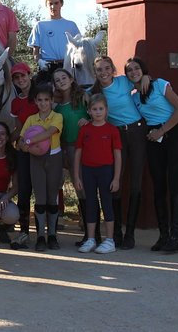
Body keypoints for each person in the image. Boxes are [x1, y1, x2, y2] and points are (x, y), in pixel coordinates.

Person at [125, 57, 178, 252]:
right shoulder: (134, 97)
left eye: (137, 68)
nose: (134, 71)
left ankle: (176, 238)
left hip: (174, 135)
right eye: (129, 70)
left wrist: (162, 130)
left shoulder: (160, 85)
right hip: (153, 140)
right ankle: (164, 236)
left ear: (143, 70)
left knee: (174, 185)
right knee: (158, 187)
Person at [90, 55, 149, 249]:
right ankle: (115, 232)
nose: (104, 72)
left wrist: (147, 77)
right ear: (95, 73)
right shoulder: (94, 92)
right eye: (99, 70)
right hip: (117, 136)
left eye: (107, 68)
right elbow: (85, 106)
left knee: (135, 183)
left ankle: (130, 233)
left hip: (137, 131)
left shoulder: (123, 82)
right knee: (115, 183)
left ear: (113, 69)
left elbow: (140, 79)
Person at [53, 68, 101, 246]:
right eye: (57, 80)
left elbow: (99, 113)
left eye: (64, 78)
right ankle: (88, 233)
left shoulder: (83, 98)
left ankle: (94, 234)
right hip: (66, 149)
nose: (61, 81)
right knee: (77, 187)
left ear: (71, 79)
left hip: (84, 148)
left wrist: (89, 122)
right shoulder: (57, 106)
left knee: (85, 189)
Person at [73, 93, 122, 254]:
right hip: (88, 171)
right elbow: (78, 153)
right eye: (95, 109)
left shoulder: (112, 130)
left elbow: (117, 155)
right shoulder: (84, 130)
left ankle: (110, 240)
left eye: (101, 108)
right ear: (89, 111)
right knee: (91, 204)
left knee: (107, 203)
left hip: (106, 171)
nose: (98, 112)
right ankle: (91, 239)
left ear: (106, 110)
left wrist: (116, 178)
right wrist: (76, 176)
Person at [17, 84, 64, 251]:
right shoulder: (31, 119)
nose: (43, 103)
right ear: (35, 101)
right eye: (39, 100)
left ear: (52, 101)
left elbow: (49, 132)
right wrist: (24, 146)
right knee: (40, 198)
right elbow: (21, 140)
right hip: (36, 160)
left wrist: (29, 142)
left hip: (54, 158)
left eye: (46, 100)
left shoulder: (57, 116)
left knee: (52, 198)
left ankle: (52, 235)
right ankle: (41, 237)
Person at [8, 62, 39, 249]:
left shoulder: (41, 95)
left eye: (23, 76)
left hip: (43, 151)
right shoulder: (15, 102)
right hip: (23, 151)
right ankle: (24, 233)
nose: (21, 80)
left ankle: (46, 234)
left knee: (43, 192)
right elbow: (18, 128)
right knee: (24, 191)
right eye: (16, 78)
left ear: (30, 74)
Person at [27, 0, 81, 84]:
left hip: (68, 67)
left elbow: (80, 49)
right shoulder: (40, 25)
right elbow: (35, 53)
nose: (53, 6)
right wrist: (40, 61)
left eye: (56, 3)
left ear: (61, 4)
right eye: (50, 4)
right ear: (46, 5)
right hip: (48, 68)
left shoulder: (71, 25)